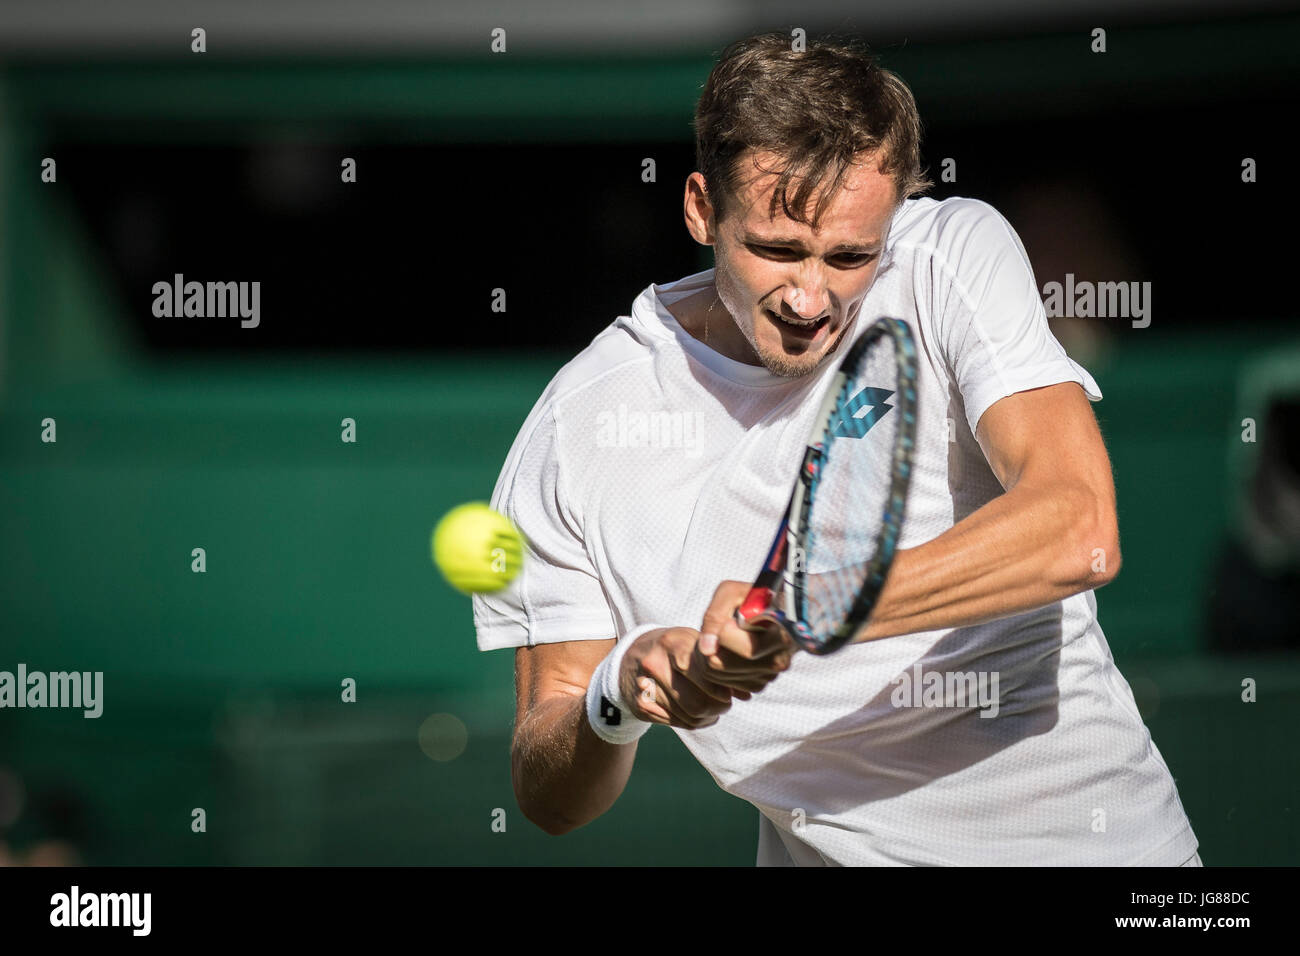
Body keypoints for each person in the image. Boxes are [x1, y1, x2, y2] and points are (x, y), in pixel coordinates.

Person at [474, 31, 1200, 866]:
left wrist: (807, 610)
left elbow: (1080, 528)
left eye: (851, 255)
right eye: (777, 250)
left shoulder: (949, 255)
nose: (812, 297)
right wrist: (620, 691)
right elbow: (548, 795)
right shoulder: (579, 426)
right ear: (701, 208)